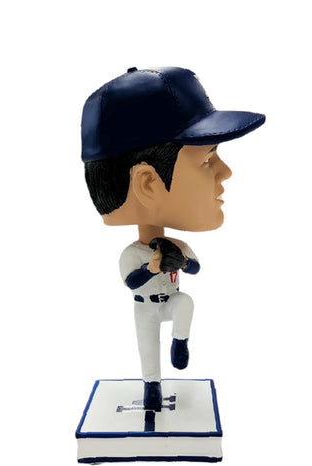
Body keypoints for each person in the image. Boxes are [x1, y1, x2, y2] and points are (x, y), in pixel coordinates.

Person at [81, 66, 265, 410]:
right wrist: (152, 268)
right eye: (208, 159)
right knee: (148, 350)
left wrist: (183, 261)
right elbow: (132, 281)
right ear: (149, 184)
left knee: (185, 303)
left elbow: (194, 267)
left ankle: (180, 342)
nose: (225, 172)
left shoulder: (178, 246)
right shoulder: (132, 253)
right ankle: (152, 387)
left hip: (171, 300)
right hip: (145, 308)